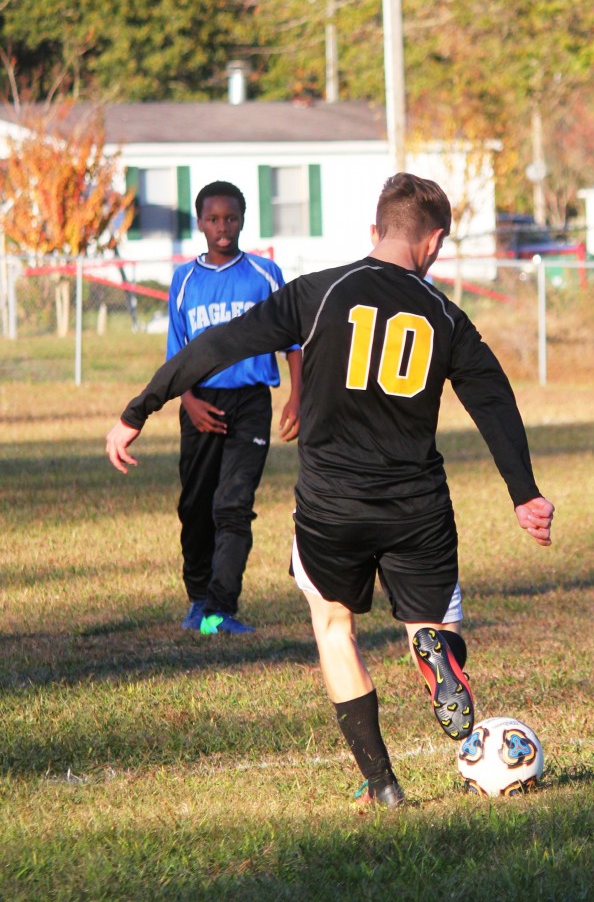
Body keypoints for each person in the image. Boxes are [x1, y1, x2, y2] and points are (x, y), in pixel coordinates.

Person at [106, 172, 554, 807]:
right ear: (434, 242)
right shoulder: (447, 317)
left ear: (375, 233)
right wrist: (524, 493)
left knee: (333, 625)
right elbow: (494, 401)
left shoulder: (317, 294)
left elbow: (218, 344)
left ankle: (383, 785)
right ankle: (435, 653)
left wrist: (140, 407)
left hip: (331, 505)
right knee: (430, 623)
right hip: (416, 505)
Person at [166, 180, 301, 635]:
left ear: (243, 220)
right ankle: (198, 600)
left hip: (250, 403)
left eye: (231, 218)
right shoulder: (183, 280)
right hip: (200, 401)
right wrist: (189, 401)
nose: (222, 227)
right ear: (200, 222)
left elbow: (294, 344)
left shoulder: (265, 274)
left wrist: (296, 396)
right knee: (196, 505)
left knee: (234, 505)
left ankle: (221, 609)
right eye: (213, 219)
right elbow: (177, 355)